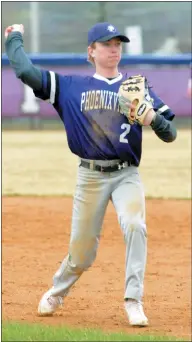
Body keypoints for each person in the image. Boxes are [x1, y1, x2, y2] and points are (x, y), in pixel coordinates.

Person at [5, 22, 177, 327]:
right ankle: (59, 290)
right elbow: (26, 72)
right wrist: (13, 38)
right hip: (90, 176)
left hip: (127, 174)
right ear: (91, 51)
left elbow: (171, 133)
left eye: (117, 44)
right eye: (106, 44)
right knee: (82, 252)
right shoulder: (70, 87)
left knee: (135, 225)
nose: (114, 49)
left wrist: (151, 117)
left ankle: (133, 300)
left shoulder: (137, 87)